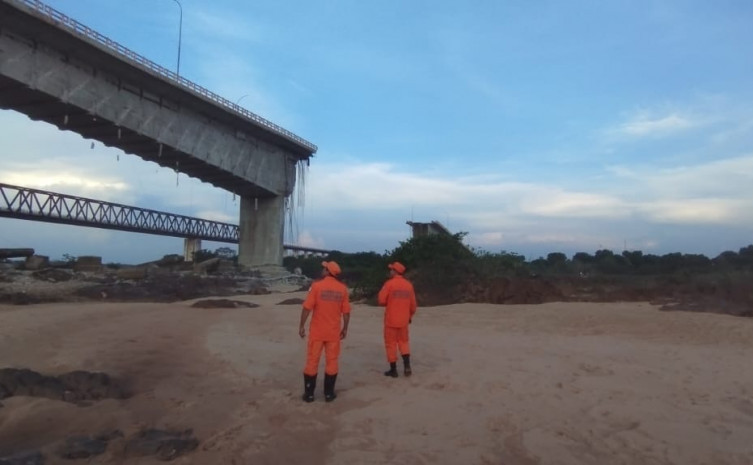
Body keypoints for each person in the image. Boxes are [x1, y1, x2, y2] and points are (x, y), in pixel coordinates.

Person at [298, 261, 351, 402]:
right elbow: (346, 312)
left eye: (324, 268)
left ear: (328, 271)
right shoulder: (343, 289)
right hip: (333, 333)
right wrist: (345, 328)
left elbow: (307, 308)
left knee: (312, 361)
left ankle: (309, 394)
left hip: (317, 332)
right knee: (332, 361)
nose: (322, 269)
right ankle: (329, 394)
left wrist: (301, 325)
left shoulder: (316, 286)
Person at [378, 261, 417, 378]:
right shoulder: (409, 285)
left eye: (391, 269)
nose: (390, 271)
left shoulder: (389, 284)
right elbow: (413, 306)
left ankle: (393, 370)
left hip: (391, 320)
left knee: (390, 344)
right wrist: (409, 316)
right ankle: (407, 366)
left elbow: (381, 300)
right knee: (404, 342)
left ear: (395, 271)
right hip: (404, 320)